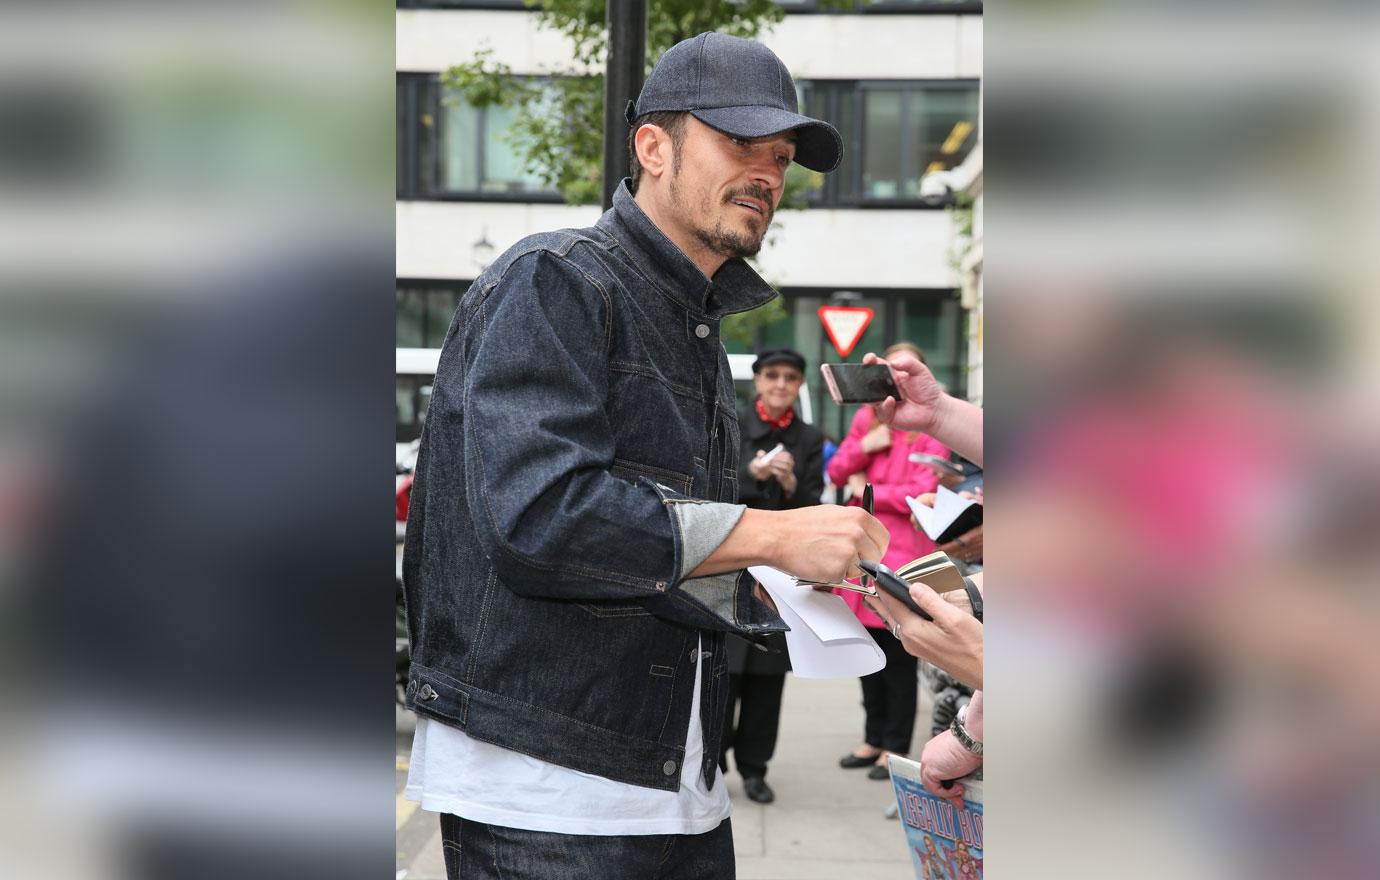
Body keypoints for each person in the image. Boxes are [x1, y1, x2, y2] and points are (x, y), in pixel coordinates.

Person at [401, 32, 887, 880]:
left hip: (675, 781)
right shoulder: (557, 279)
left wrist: (787, 579)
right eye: (740, 143)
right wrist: (769, 538)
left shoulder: (692, 321)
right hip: (545, 790)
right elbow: (540, 518)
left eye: (780, 156)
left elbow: (659, 544)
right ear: (652, 147)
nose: (769, 174)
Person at [827, 343, 950, 780]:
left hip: (903, 556)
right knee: (866, 653)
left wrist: (868, 492)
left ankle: (893, 746)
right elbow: (838, 470)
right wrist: (866, 449)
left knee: (899, 654)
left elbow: (921, 492)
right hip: (863, 553)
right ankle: (872, 737)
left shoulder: (929, 430)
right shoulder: (868, 420)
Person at [719, 348, 824, 805]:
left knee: (768, 672)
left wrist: (787, 485)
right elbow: (712, 488)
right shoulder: (732, 424)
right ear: (758, 380)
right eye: (772, 375)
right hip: (729, 562)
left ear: (800, 385)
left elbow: (815, 505)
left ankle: (756, 768)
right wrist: (751, 472)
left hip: (779, 573)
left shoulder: (809, 437)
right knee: (722, 670)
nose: (780, 384)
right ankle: (712, 760)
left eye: (790, 377)